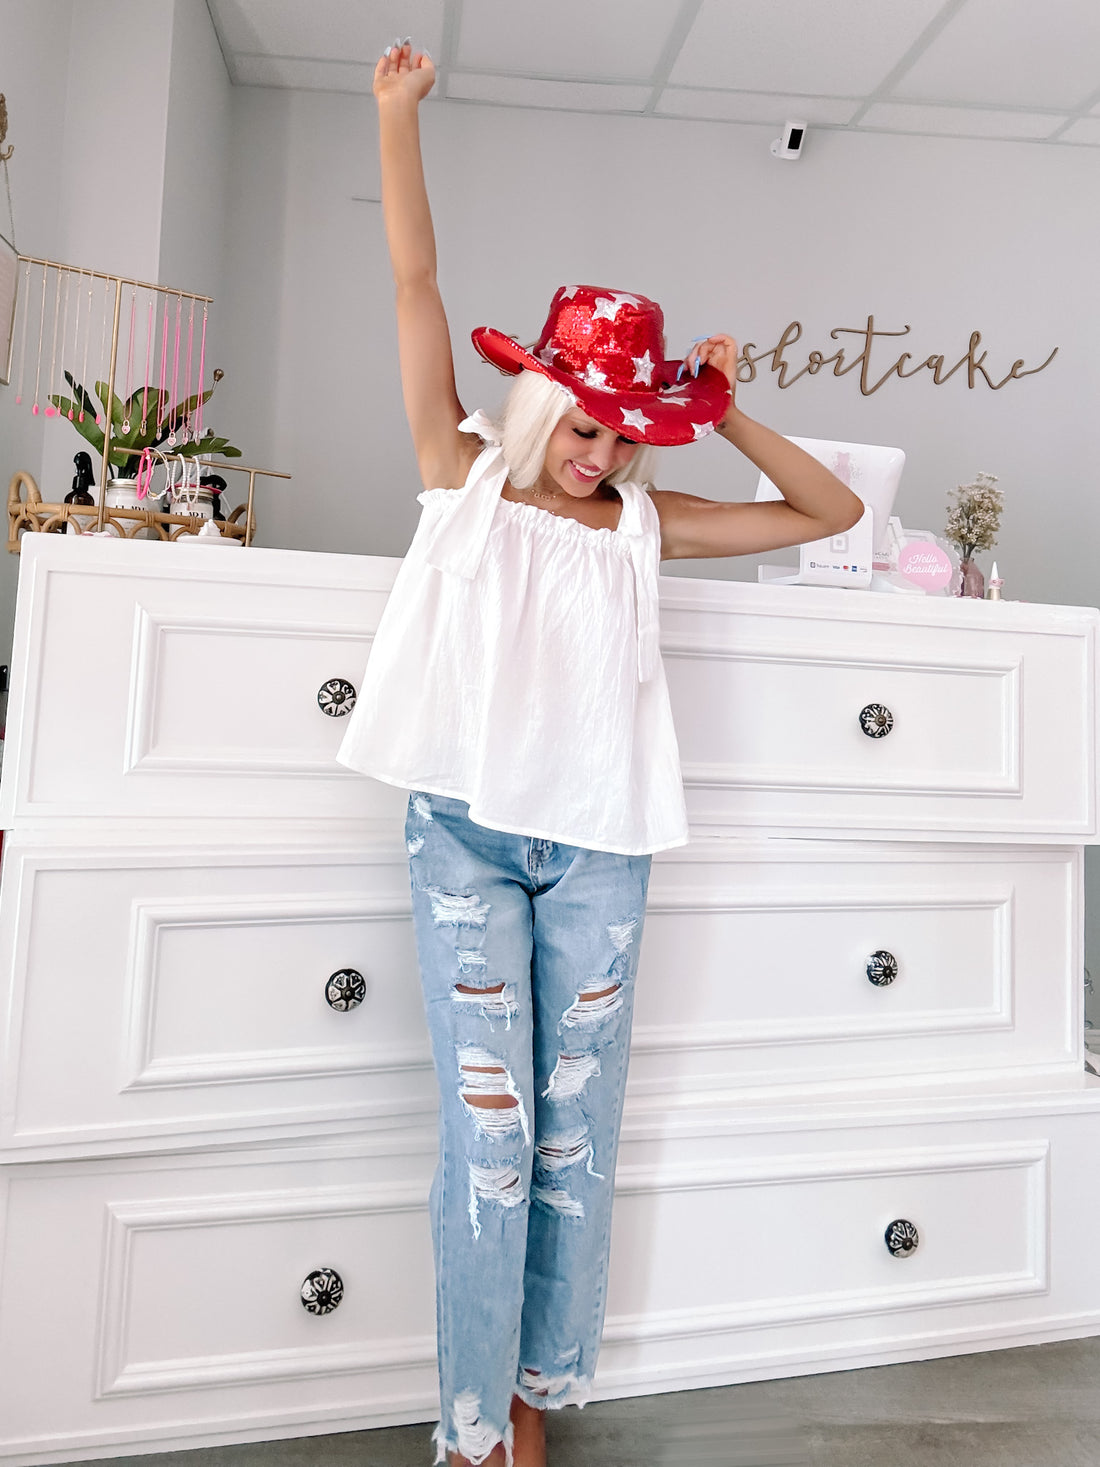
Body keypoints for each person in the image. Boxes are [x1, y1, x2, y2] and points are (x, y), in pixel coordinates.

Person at [336, 41, 863, 1467]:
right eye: (584, 419)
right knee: (492, 1143)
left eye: (627, 431)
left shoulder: (645, 520)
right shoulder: (462, 479)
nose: (599, 450)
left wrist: (719, 403)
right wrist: (395, 120)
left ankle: (538, 1399)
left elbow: (820, 515)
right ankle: (466, 1424)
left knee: (574, 1145)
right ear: (537, 401)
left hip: (601, 849)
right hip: (463, 832)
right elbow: (414, 288)